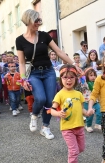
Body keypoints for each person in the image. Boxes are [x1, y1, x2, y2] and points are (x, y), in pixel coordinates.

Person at [16, 9, 77, 140]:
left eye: (39, 20)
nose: (39, 23)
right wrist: (22, 79)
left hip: (49, 71)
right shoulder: (20, 40)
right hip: (34, 73)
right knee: (41, 99)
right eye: (36, 20)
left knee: (50, 101)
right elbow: (21, 62)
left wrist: (74, 65)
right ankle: (34, 115)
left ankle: (45, 127)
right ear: (28, 21)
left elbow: (59, 52)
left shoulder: (44, 36)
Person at [51, 64, 89, 163]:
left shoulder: (78, 94)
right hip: (67, 128)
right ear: (61, 79)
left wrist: (87, 113)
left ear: (76, 79)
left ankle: (73, 157)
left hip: (80, 127)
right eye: (65, 77)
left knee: (80, 148)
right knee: (74, 150)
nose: (68, 80)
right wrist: (58, 114)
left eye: (71, 77)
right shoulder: (60, 94)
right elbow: (51, 110)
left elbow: (81, 108)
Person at [82, 67, 102, 132]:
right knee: (89, 115)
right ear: (86, 76)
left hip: (95, 102)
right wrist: (82, 76)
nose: (93, 77)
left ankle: (98, 124)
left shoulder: (96, 83)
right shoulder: (85, 83)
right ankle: (88, 126)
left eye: (94, 75)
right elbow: (82, 81)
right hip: (87, 102)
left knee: (100, 112)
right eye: (91, 75)